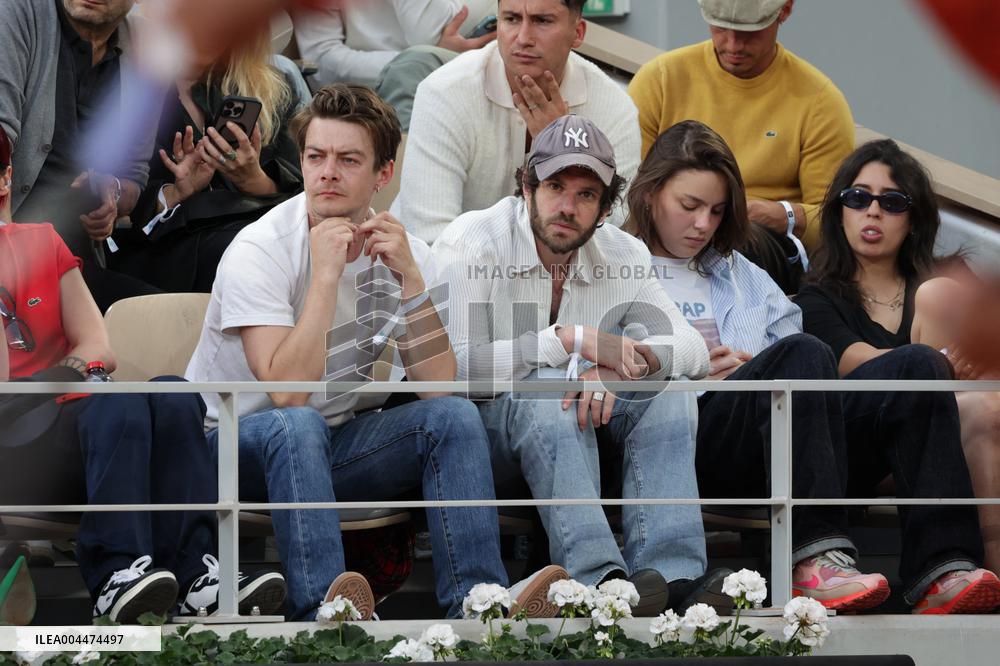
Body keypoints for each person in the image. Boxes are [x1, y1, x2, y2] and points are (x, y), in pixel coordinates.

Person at [186, 84, 567, 621]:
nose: (327, 173)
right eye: (316, 157)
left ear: (383, 175)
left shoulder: (409, 254)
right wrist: (325, 275)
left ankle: (478, 604)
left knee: (452, 418)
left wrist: (411, 283)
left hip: (333, 444)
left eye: (348, 160)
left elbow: (439, 387)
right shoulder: (260, 248)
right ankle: (326, 614)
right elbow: (288, 393)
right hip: (227, 449)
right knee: (296, 426)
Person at [433, 114, 720, 616]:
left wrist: (625, 367)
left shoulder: (624, 252)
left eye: (587, 195)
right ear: (527, 187)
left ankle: (672, 579)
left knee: (667, 393)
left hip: (581, 435)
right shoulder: (474, 241)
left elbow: (691, 347)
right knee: (548, 387)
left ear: (606, 208)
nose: (567, 207)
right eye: (555, 186)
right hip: (483, 442)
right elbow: (456, 372)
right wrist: (571, 341)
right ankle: (596, 583)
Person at [0, 124, 286, 623]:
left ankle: (200, 574)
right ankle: (116, 573)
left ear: (5, 177)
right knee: (118, 400)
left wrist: (66, 378)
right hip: (14, 441)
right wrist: (70, 377)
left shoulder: (43, 241)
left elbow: (99, 349)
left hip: (73, 422)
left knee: (173, 393)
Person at [797, 138, 1000, 613]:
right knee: (943, 374)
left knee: (983, 400)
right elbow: (872, 371)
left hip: (958, 432)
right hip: (862, 446)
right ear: (840, 210)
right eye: (857, 198)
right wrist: (952, 363)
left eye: (891, 202)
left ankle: (980, 578)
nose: (872, 212)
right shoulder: (816, 299)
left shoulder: (942, 285)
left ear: (913, 218)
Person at [627, 0, 854, 292]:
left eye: (750, 32)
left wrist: (785, 215)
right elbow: (626, 189)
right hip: (667, 233)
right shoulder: (660, 78)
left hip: (761, 245)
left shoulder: (819, 100)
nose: (733, 43)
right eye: (721, 27)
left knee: (734, 243)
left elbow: (838, 218)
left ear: (784, 11)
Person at [393, 0, 641, 245]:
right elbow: (430, 238)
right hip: (449, 274)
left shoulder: (615, 110)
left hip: (560, 280)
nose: (523, 38)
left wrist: (562, 153)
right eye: (511, 19)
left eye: (542, 20)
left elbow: (610, 241)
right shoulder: (444, 92)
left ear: (577, 33)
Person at [108, 20, 303, 294]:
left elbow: (306, 194)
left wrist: (255, 181)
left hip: (251, 234)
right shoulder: (129, 86)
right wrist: (175, 193)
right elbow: (113, 193)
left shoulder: (272, 86)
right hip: (165, 247)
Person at [0, 0, 166, 312]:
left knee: (168, 324)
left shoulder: (149, 46)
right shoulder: (17, 11)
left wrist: (112, 194)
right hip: (13, 253)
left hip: (74, 260)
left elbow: (134, 173)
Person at [293, 0, 497, 129]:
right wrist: (411, 63)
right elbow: (323, 59)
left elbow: (437, 28)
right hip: (376, 98)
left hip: (481, 74)